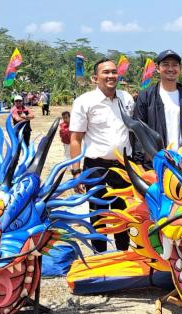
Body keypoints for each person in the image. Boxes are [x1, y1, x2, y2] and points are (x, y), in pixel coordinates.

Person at [69, 58, 135, 252]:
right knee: (98, 213)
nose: (111, 75)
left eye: (114, 72)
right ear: (95, 77)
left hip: (123, 166)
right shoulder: (85, 102)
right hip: (96, 167)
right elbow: (76, 139)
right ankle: (100, 255)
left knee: (123, 211)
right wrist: (75, 172)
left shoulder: (127, 98)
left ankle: (123, 253)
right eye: (106, 72)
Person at [133, 49, 182, 159]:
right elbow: (138, 129)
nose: (170, 69)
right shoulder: (146, 96)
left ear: (180, 69)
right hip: (156, 160)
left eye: (175, 65)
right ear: (158, 68)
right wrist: (140, 160)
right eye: (165, 65)